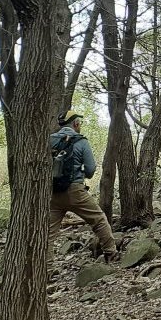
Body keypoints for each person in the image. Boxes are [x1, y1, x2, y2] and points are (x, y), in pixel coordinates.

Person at [49, 111, 119, 263]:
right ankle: (111, 254)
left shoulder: (49, 140)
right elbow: (90, 170)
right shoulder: (81, 141)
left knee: (48, 234)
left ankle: (46, 271)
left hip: (53, 193)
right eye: (79, 122)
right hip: (75, 191)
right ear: (75, 124)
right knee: (99, 219)